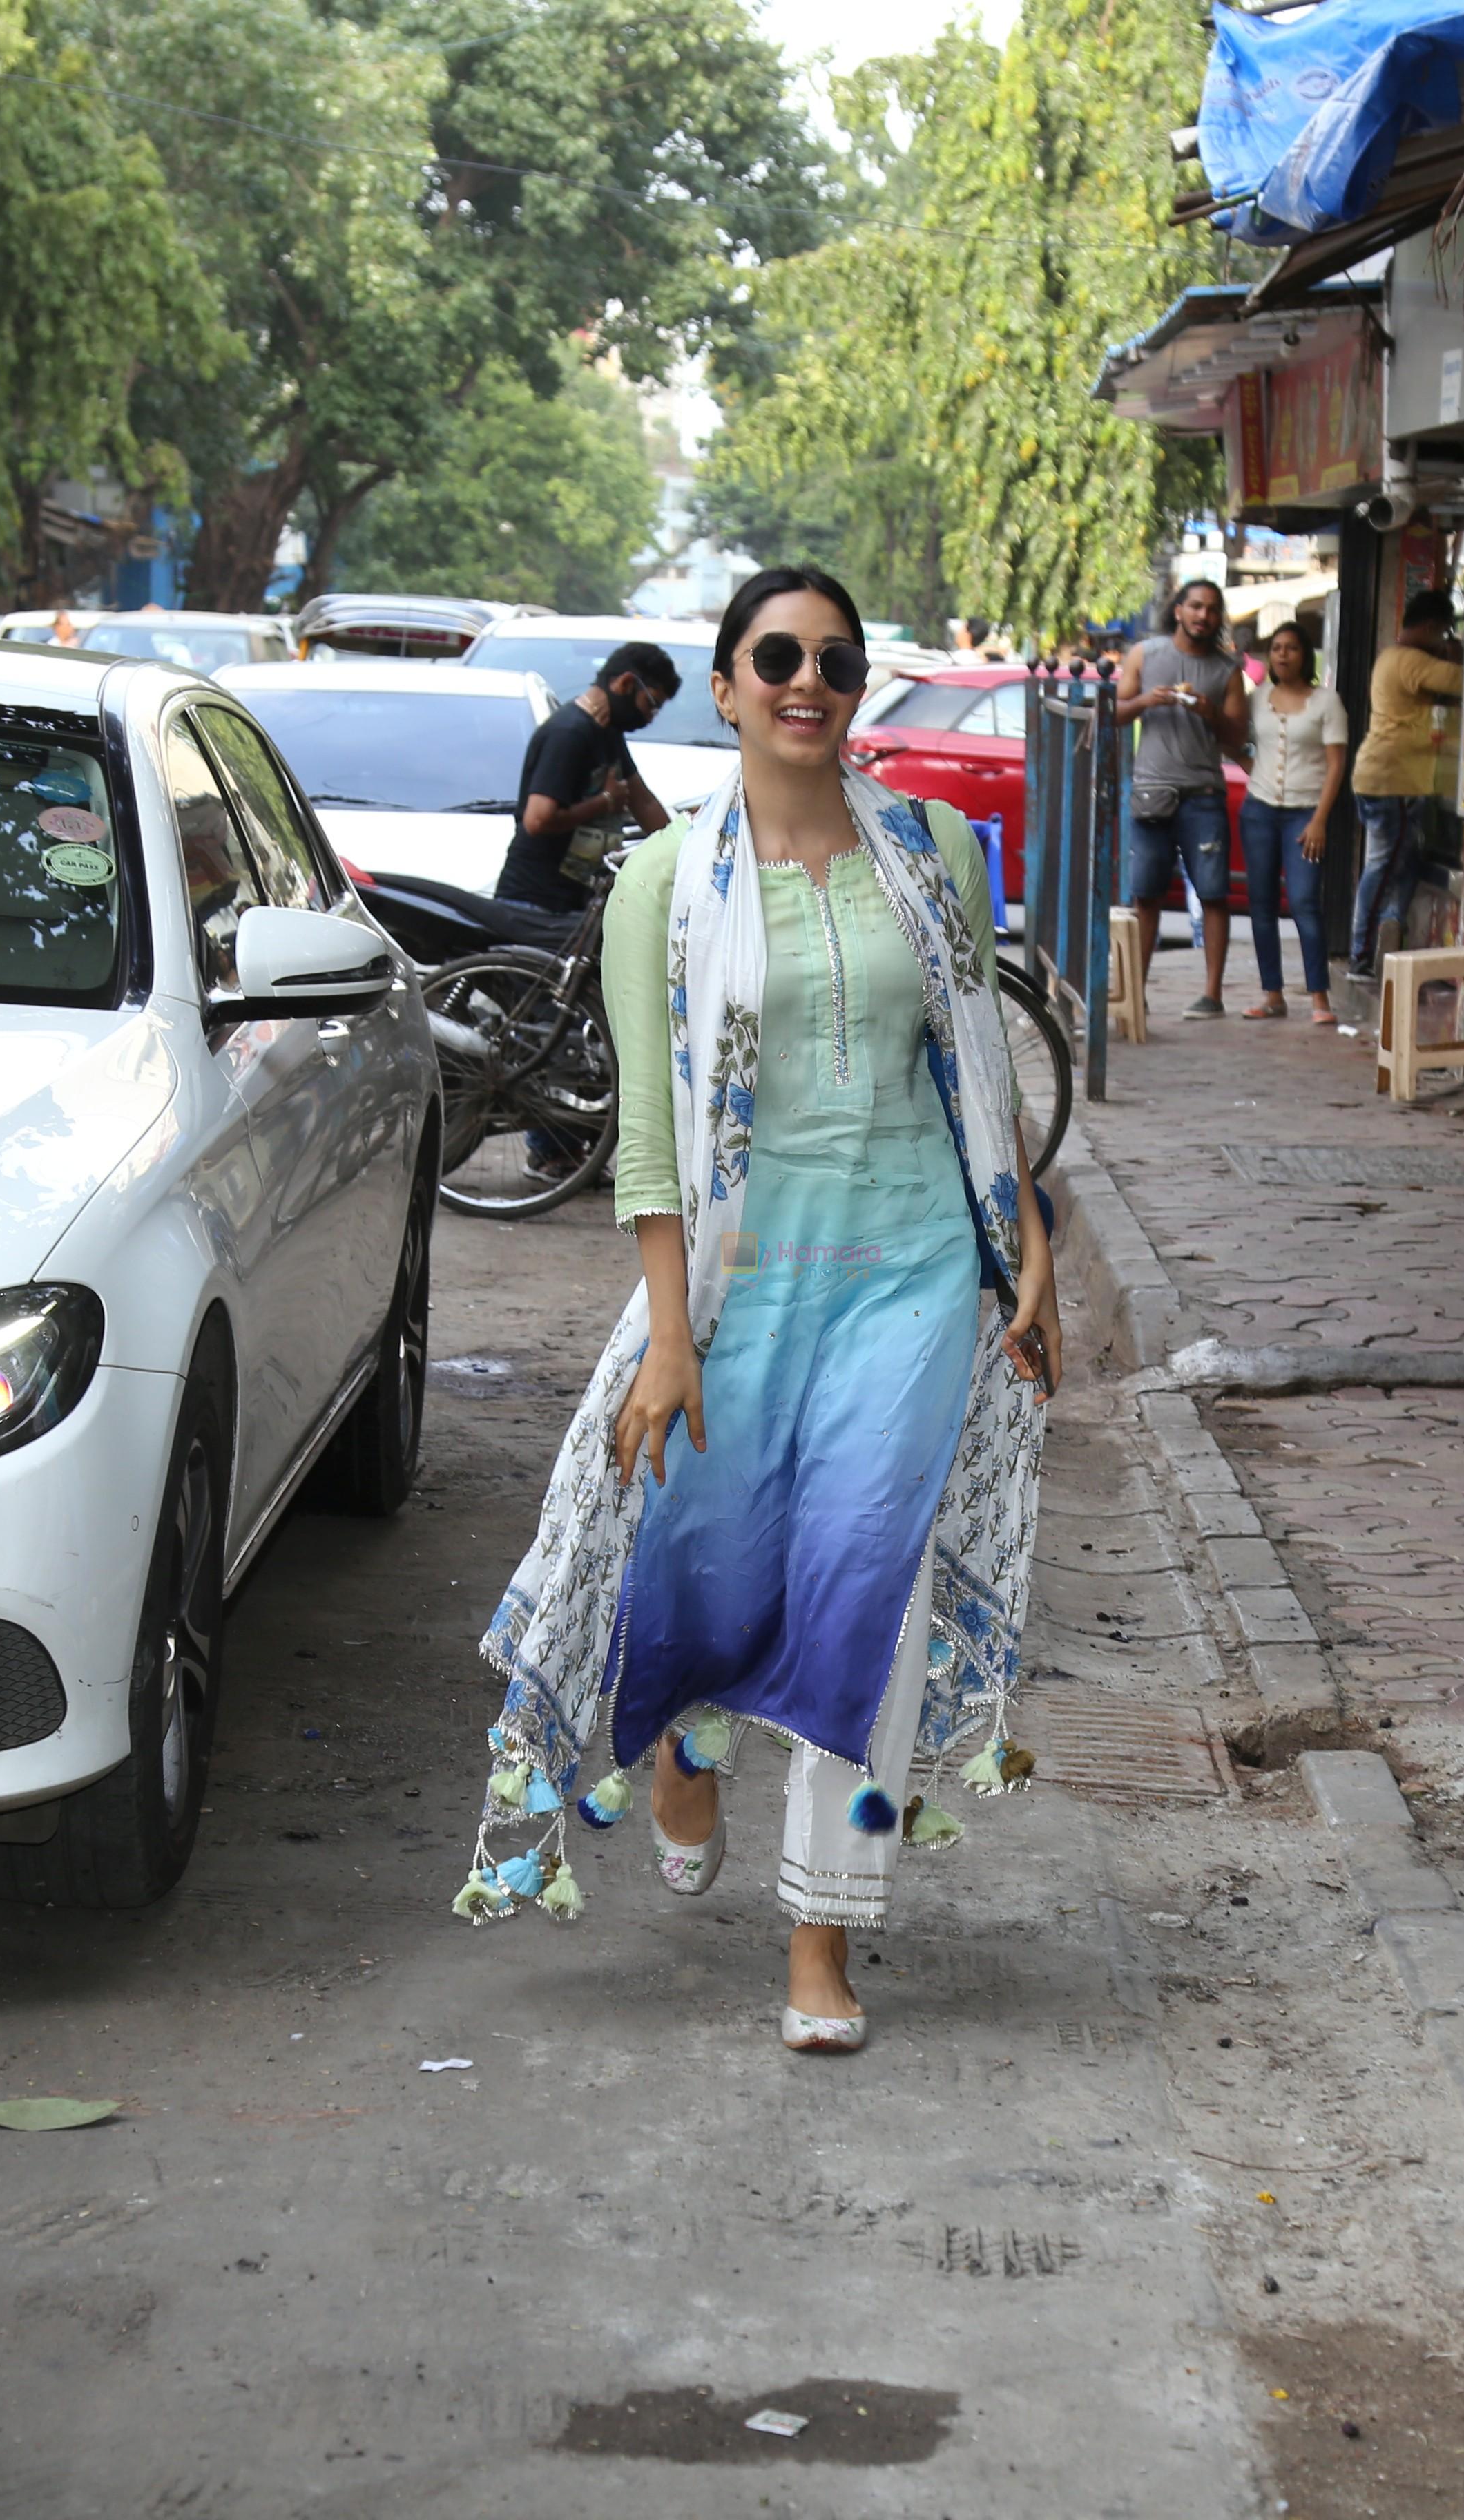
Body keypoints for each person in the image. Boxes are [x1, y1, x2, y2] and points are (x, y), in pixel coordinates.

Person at [467, 564, 1058, 2056]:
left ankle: (820, 1940)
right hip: (741, 1283)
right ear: (724, 686)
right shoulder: (663, 884)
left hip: (914, 1273)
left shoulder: (934, 851)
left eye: (838, 661)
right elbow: (657, 1142)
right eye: (777, 656)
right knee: (717, 1568)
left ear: (858, 691)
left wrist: (1023, 1236)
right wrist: (670, 1337)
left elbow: (974, 1064)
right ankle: (677, 1747)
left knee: (870, 1590)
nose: (810, 680)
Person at [1111, 579, 1248, 1017]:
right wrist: (1148, 701)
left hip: (1204, 794)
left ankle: (1213, 994)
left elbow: (1237, 740)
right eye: (1195, 606)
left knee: (1213, 894)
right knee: (1146, 896)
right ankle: (1136, 992)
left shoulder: (1228, 671)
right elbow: (1112, 712)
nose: (1203, 615)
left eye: (1211, 609)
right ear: (1178, 611)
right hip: (1151, 791)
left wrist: (1211, 714)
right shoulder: (1145, 655)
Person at [495, 641, 678, 914]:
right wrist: (604, 801)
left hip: (572, 898)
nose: (650, 718)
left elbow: (644, 804)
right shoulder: (569, 733)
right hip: (534, 900)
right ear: (626, 684)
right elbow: (538, 819)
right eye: (650, 704)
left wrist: (682, 852)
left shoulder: (608, 732)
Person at [1237, 618, 1348, 1024]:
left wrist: (1320, 820)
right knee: (1261, 903)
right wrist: (1256, 771)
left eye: (1292, 648)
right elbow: (1237, 741)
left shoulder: (1326, 703)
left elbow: (1337, 765)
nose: (1283, 654)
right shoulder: (1258, 697)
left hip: (1306, 813)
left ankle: (1320, 999)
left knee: (1303, 902)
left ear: (1307, 656)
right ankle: (1273, 995)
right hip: (1260, 811)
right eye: (1277, 648)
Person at [1349, 586, 1463, 977]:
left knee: (1401, 863)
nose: (1444, 640)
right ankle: (1360, 957)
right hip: (1391, 781)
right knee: (1382, 868)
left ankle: (1386, 938)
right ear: (1432, 626)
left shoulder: (1392, 658)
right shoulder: (1411, 661)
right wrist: (1460, 653)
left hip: (1386, 777)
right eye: (1444, 632)